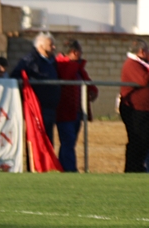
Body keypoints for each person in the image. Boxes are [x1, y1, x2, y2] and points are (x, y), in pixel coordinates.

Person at [117, 39, 149, 173]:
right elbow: (143, 80)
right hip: (135, 109)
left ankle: (138, 166)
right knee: (137, 140)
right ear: (141, 52)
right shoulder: (132, 64)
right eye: (147, 50)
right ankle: (132, 168)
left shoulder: (144, 64)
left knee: (146, 140)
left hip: (146, 109)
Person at [7, 33, 61, 144]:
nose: (54, 47)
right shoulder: (29, 61)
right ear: (41, 47)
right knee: (39, 141)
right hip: (38, 108)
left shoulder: (52, 61)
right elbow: (15, 76)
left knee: (49, 142)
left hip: (51, 107)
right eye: (51, 45)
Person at [54, 40, 98, 172]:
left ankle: (63, 167)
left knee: (69, 143)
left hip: (76, 111)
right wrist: (76, 65)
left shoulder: (78, 68)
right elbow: (66, 77)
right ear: (74, 52)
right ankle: (70, 169)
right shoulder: (62, 65)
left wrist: (93, 91)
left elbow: (88, 82)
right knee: (68, 142)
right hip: (65, 111)